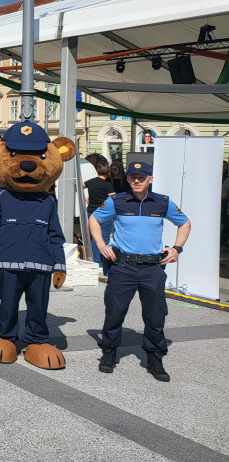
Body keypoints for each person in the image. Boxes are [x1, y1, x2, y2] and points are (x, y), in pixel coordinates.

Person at [89, 161, 190, 382]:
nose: (137, 180)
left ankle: (154, 357)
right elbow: (94, 219)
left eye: (141, 177)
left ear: (149, 179)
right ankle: (109, 353)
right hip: (123, 267)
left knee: (155, 315)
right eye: (133, 176)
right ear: (127, 179)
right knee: (115, 312)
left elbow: (185, 223)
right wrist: (101, 245)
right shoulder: (117, 201)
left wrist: (177, 248)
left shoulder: (162, 203)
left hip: (153, 268)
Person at [83, 159, 115, 265]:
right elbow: (113, 199)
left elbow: (78, 186)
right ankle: (99, 262)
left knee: (93, 237)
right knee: (103, 237)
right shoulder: (107, 185)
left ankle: (92, 260)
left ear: (97, 170)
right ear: (109, 172)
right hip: (103, 213)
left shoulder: (91, 181)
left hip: (91, 211)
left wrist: (85, 198)